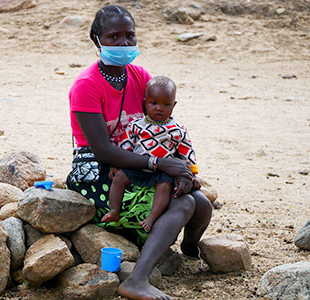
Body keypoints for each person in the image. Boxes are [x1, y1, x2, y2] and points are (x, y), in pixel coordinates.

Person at [67, 5, 212, 300]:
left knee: (202, 203)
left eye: (129, 36)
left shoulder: (139, 76)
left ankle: (187, 251)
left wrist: (181, 169)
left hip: (141, 166)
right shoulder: (86, 85)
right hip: (100, 172)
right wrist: (162, 165)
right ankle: (137, 280)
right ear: (96, 39)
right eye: (114, 37)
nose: (123, 44)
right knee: (183, 206)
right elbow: (103, 150)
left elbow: (160, 128)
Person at [102, 76, 201, 233]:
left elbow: (187, 153)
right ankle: (114, 210)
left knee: (165, 187)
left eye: (166, 104)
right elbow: (125, 145)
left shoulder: (177, 130)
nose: (159, 108)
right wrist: (116, 164)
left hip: (162, 171)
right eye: (154, 103)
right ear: (145, 102)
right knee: (119, 177)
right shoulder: (136, 126)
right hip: (137, 166)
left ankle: (152, 218)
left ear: (173, 106)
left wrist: (192, 174)